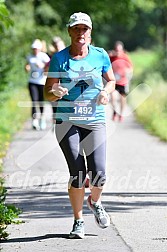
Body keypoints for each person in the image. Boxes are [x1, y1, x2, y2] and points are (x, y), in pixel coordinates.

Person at [44, 12, 115, 239]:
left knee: (99, 174)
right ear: (69, 31)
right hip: (67, 122)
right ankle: (78, 221)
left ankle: (95, 201)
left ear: (90, 32)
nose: (80, 33)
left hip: (94, 121)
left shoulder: (100, 56)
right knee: (77, 173)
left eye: (84, 29)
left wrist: (105, 91)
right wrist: (55, 92)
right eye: (76, 29)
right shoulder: (59, 58)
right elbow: (48, 92)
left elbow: (112, 80)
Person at [25, 39, 50, 130]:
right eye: (33, 48)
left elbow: (49, 65)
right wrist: (27, 68)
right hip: (32, 81)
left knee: (40, 101)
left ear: (39, 49)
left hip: (42, 82)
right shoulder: (29, 56)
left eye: (36, 48)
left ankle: (42, 118)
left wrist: (43, 67)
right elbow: (27, 65)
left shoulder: (44, 56)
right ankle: (34, 120)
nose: (35, 50)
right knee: (34, 101)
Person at [108, 41, 133, 122]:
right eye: (117, 50)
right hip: (114, 81)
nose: (118, 52)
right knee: (113, 97)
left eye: (119, 50)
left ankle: (121, 114)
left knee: (122, 98)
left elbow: (130, 68)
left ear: (122, 50)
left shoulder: (125, 57)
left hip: (123, 81)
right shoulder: (112, 57)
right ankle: (115, 112)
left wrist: (127, 72)